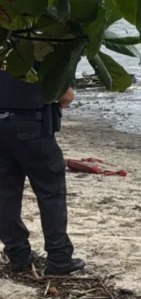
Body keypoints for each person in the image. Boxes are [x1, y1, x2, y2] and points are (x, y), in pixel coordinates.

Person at [0, 70, 85, 275]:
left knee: (5, 194)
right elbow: (65, 96)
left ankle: (18, 255)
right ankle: (59, 257)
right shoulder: (33, 53)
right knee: (51, 193)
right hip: (32, 128)